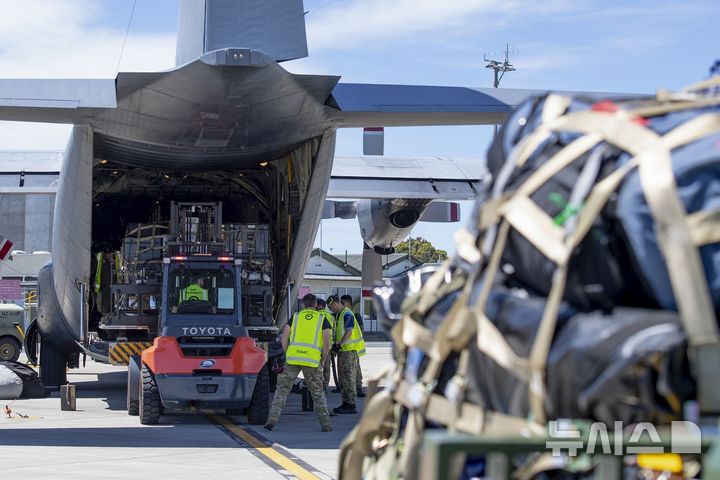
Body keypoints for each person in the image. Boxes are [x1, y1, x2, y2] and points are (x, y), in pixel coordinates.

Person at [265, 293, 332, 432]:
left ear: (303, 304)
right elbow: (327, 344)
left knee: (282, 389)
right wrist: (323, 359)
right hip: (312, 361)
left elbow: (284, 337)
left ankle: (272, 420)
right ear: (315, 305)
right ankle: (325, 424)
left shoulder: (295, 317)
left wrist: (287, 353)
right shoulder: (322, 319)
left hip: (293, 358)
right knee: (317, 392)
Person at [327, 295, 365, 414]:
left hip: (348, 351)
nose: (330, 310)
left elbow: (349, 332)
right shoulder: (340, 315)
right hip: (344, 351)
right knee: (343, 378)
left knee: (348, 378)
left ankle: (350, 404)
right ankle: (346, 402)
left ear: (335, 304)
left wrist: (338, 345)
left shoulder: (347, 314)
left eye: (330, 307)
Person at [340, 294, 366, 397]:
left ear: (348, 303)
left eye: (343, 302)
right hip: (347, 346)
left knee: (356, 368)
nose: (341, 305)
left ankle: (358, 387)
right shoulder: (343, 314)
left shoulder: (354, 314)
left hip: (354, 346)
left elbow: (361, 330)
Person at [316, 298, 335, 391]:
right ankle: (324, 387)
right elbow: (334, 331)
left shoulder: (316, 315)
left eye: (317, 305)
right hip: (328, 346)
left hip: (316, 346)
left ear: (320, 306)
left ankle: (316, 386)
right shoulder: (331, 316)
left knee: (315, 367)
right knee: (326, 368)